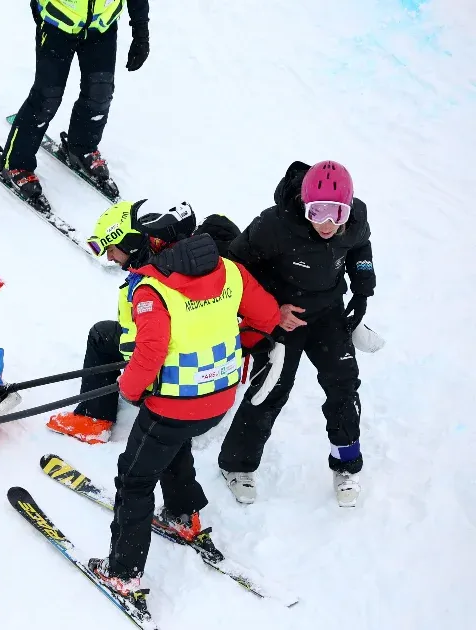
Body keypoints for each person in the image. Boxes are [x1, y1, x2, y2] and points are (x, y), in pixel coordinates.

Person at [72, 200, 281, 610]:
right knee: (171, 441)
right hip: (218, 400)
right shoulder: (230, 271)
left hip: (174, 403)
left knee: (133, 479)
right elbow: (268, 317)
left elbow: (149, 353)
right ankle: (184, 514)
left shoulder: (152, 290)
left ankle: (122, 573)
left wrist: (130, 390)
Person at [217, 160, 376, 507]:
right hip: (282, 316)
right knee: (272, 387)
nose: (328, 223)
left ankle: (346, 464)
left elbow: (360, 246)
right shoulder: (274, 224)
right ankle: (236, 466)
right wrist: (272, 311)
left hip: (328, 312)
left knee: (343, 384)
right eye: (317, 211)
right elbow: (234, 268)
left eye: (337, 212)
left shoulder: (355, 220)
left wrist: (362, 291)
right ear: (305, 204)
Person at [47, 207, 247, 444]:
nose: (109, 258)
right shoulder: (190, 257)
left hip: (175, 379)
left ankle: (94, 420)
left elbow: (141, 348)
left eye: (111, 250)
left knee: (102, 335)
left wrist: (132, 386)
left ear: (129, 245)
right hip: (218, 364)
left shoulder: (149, 283)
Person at [0, 0, 151, 200]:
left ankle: (81, 148)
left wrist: (141, 32)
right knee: (47, 97)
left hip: (101, 27)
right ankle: (16, 163)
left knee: (100, 93)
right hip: (58, 23)